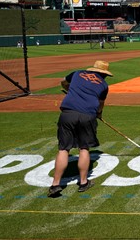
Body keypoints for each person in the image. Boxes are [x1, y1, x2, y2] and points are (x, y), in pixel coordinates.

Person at [48, 60, 113, 197]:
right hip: (87, 115)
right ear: (103, 73)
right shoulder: (104, 85)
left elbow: (63, 81)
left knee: (63, 149)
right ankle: (83, 183)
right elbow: (100, 104)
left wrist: (68, 89)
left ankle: (55, 184)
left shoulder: (77, 74)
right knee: (84, 148)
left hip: (68, 113)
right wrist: (99, 114)